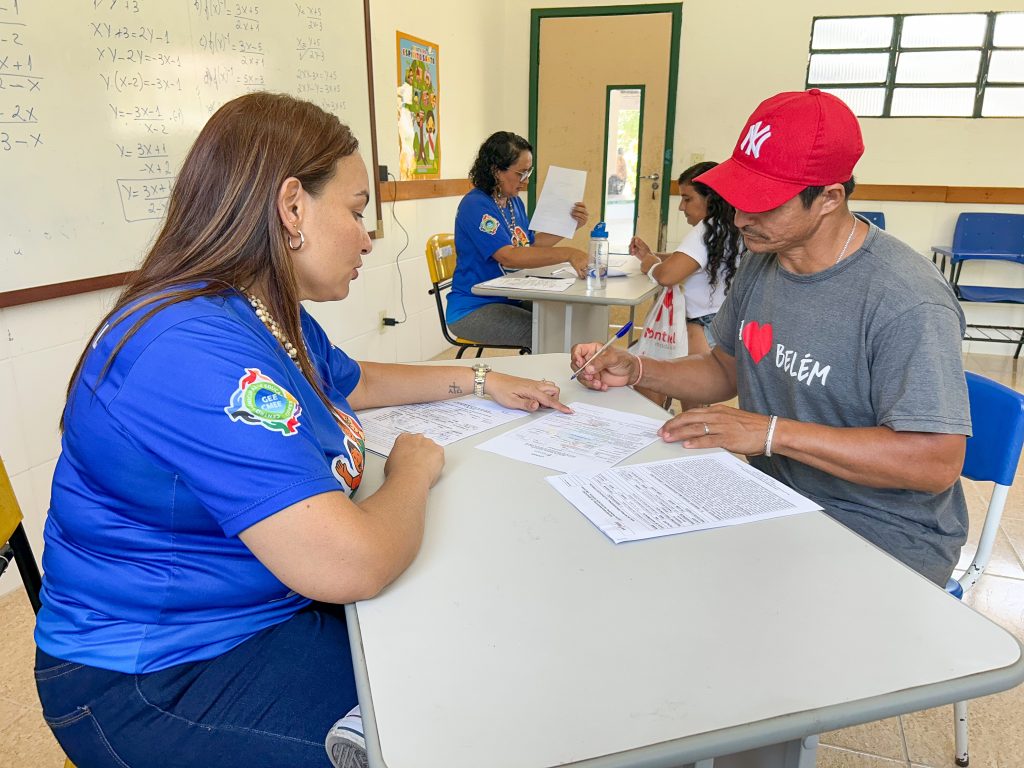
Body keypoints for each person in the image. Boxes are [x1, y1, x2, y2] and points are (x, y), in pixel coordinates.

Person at [33, 92, 571, 768]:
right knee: (444, 731)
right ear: (292, 207)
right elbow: (353, 563)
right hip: (156, 671)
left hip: (260, 608)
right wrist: (411, 470)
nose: (368, 238)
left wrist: (481, 379)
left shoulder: (257, 308)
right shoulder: (190, 347)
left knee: (462, 642)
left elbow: (352, 381)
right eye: (356, 211)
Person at [572, 89, 971, 587]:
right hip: (773, 497)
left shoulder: (906, 299)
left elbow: (935, 461)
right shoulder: (764, 262)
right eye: (738, 198)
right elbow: (725, 368)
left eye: (764, 203)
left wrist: (770, 433)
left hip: (880, 530)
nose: (740, 219)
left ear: (829, 198)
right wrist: (639, 369)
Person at [446, 131, 590, 349]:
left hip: (508, 297)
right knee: (544, 333)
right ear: (496, 170)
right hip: (473, 307)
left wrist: (571, 225)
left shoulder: (513, 202)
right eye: (521, 173)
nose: (526, 180)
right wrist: (569, 253)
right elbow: (509, 256)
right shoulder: (475, 205)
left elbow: (529, 246)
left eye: (529, 172)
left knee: (562, 320)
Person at [630, 160, 743, 357]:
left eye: (687, 199)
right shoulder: (729, 227)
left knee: (638, 355)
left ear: (710, 199)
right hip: (723, 324)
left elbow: (667, 276)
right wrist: (653, 254)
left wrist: (651, 265)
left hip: (702, 328)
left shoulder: (706, 229)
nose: (681, 207)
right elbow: (694, 261)